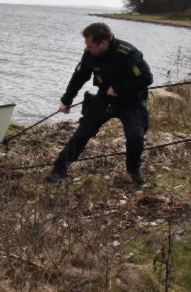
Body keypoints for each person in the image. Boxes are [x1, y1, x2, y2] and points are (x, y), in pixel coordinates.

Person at [46, 22, 153, 184]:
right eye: (87, 45)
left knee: (135, 137)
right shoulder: (89, 55)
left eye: (91, 45)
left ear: (103, 43)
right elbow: (79, 77)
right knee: (83, 132)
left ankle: (133, 171)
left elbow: (146, 78)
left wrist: (119, 88)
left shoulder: (129, 53)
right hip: (104, 99)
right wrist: (66, 101)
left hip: (131, 101)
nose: (88, 48)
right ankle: (59, 170)